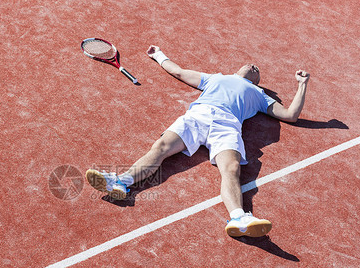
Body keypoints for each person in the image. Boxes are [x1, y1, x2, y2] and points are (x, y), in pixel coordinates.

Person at [86, 45, 310, 237]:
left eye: (257, 70)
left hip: (227, 125)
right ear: (236, 70)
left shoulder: (260, 95)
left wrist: (302, 85)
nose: (253, 66)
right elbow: (180, 73)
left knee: (231, 168)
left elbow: (290, 115)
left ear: (257, 81)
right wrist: (159, 55)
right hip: (198, 116)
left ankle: (239, 219)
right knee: (161, 147)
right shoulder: (217, 78)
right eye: (250, 65)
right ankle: (121, 182)